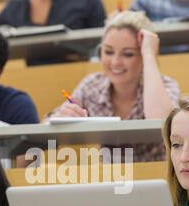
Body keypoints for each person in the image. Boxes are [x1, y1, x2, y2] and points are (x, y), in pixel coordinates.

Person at [44, 10, 180, 162]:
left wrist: (149, 53)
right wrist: (60, 117)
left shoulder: (166, 85)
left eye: (128, 54)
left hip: (156, 178)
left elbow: (161, 123)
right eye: (108, 52)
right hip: (112, 180)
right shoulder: (92, 85)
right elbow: (44, 126)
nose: (115, 62)